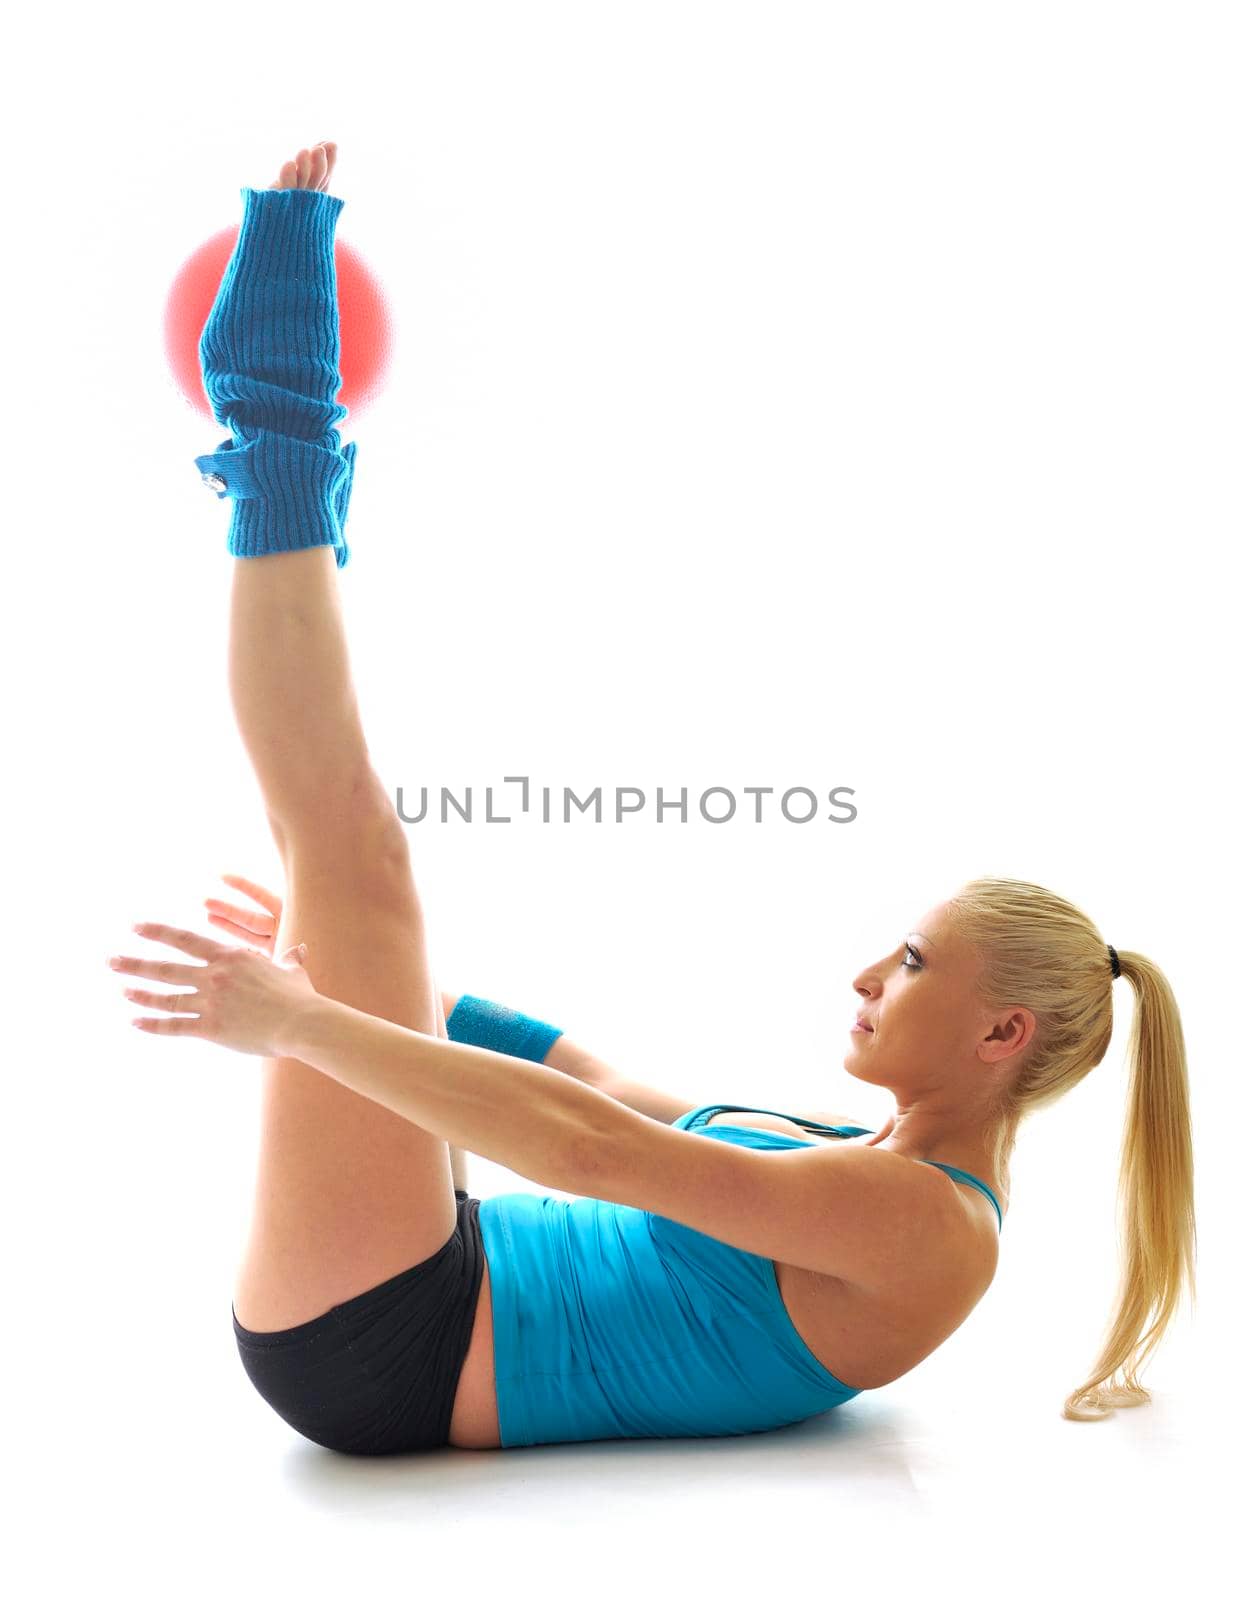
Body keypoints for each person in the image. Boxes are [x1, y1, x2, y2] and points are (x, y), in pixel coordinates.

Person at [107, 142, 1197, 1454]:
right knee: (356, 881)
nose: (867, 972)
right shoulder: (848, 1153)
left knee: (358, 855)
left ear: (999, 1034)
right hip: (431, 1277)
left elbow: (588, 1155)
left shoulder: (928, 1228)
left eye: (912, 962)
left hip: (395, 1342)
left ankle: (276, 421)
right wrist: (402, 994)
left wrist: (302, 1020)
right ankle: (286, 458)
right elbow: (603, 1090)